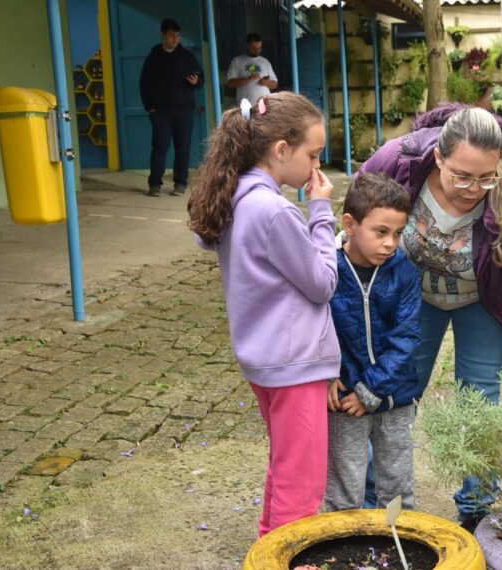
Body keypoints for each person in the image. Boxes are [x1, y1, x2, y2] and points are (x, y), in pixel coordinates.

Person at [359, 104, 502, 529]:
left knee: (481, 405)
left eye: (486, 177)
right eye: (461, 175)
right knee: (395, 395)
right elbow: (359, 215)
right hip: (414, 297)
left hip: (486, 299)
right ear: (439, 158)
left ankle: (477, 511)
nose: (472, 188)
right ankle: (376, 498)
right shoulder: (398, 163)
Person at [187, 92, 339, 537]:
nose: (315, 167)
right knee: (302, 485)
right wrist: (321, 213)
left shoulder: (232, 199)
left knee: (284, 467)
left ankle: (267, 552)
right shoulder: (275, 211)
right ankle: (292, 559)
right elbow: (322, 283)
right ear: (281, 150)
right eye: (312, 155)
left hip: (265, 361)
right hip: (295, 364)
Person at [325, 173, 422, 512]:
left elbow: (406, 339)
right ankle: (343, 552)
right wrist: (324, 374)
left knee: (397, 484)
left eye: (398, 233)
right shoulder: (326, 269)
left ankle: (401, 548)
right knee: (344, 486)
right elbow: (310, 326)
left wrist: (371, 391)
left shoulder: (405, 272)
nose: (390, 243)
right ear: (350, 224)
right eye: (380, 232)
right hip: (342, 400)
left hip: (395, 397)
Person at [140, 18, 204, 197]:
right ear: (163, 35)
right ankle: (154, 184)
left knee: (183, 148)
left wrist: (196, 81)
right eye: (171, 35)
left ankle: (180, 183)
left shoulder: (188, 57)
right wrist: (150, 107)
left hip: (184, 110)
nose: (175, 39)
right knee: (160, 147)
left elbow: (201, 78)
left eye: (177, 35)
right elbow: (143, 84)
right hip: (161, 111)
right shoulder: (153, 58)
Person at [226, 33, 279, 104]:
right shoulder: (237, 61)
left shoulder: (265, 62)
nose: (257, 51)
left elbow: (275, 84)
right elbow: (230, 83)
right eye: (253, 48)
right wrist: (248, 79)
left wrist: (265, 82)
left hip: (265, 105)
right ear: (247, 45)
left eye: (259, 49)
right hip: (246, 106)